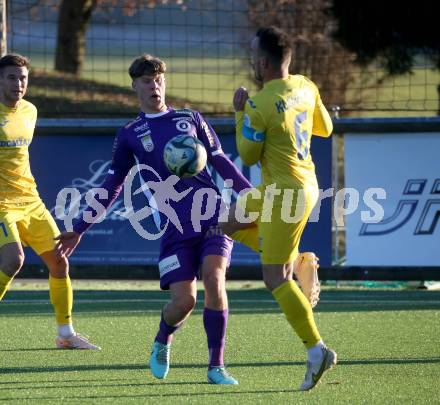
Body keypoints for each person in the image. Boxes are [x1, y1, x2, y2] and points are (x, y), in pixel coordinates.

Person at [55, 54, 253, 385]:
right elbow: (112, 185)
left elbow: (220, 161)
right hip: (176, 227)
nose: (154, 85)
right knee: (183, 302)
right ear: (135, 86)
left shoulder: (191, 118)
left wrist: (251, 194)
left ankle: (216, 366)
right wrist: (79, 229)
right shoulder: (130, 133)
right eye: (147, 81)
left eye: (159, 79)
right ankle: (163, 339)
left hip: (212, 217)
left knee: (215, 280)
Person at [220, 27, 337, 391]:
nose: (252, 59)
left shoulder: (257, 104)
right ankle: (300, 261)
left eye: (254, 53)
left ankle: (316, 351)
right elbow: (326, 128)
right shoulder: (306, 85)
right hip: (300, 187)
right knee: (224, 222)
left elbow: (249, 153)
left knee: (275, 278)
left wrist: (239, 114)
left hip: (283, 196)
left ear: (263, 62)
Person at [0, 53, 100, 350]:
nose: (19, 84)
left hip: (31, 201)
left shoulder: (30, 110)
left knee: (59, 262)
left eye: (23, 78)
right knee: (13, 260)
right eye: (11, 77)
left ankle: (66, 334)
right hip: (1, 204)